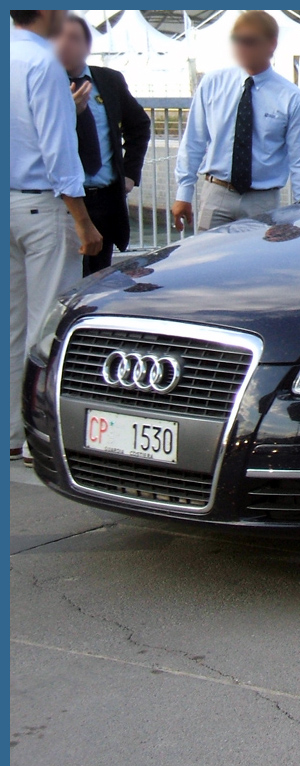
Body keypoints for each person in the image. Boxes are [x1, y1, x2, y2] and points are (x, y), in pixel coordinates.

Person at [10, 9, 102, 462]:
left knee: (11, 324)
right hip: (42, 205)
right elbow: (58, 149)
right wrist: (83, 220)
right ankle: (37, 435)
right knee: (48, 323)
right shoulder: (41, 63)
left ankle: (11, 429)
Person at [173, 10, 300, 233]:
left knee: (257, 265)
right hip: (217, 194)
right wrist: (184, 193)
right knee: (208, 262)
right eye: (237, 41)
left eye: (250, 41)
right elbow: (194, 140)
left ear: (271, 44)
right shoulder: (213, 83)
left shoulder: (290, 97)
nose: (242, 48)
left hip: (263, 200)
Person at [54, 15, 151, 276]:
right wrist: (68, 113)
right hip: (66, 203)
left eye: (73, 38)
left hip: (106, 199)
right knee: (65, 280)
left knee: (98, 278)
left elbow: (139, 125)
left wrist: (130, 174)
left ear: (87, 45)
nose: (65, 45)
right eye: (58, 37)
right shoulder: (46, 84)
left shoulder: (108, 80)